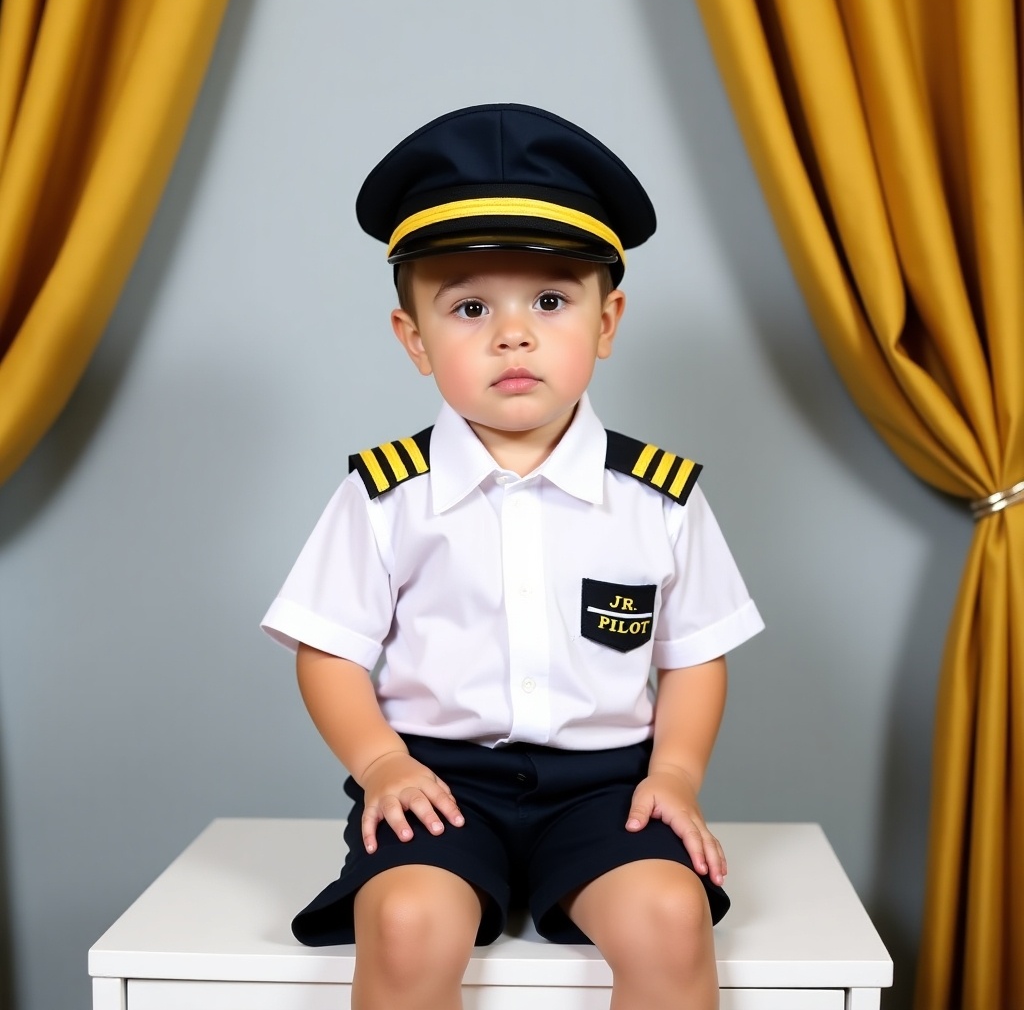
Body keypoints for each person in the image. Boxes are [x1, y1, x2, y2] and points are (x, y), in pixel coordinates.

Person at [262, 102, 764, 1010]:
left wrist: (676, 775)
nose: (513, 333)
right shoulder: (385, 495)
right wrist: (381, 765)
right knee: (410, 921)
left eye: (550, 299)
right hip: (437, 784)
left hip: (609, 787)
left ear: (607, 322)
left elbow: (693, 656)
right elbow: (328, 648)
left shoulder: (660, 497)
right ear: (413, 338)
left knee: (668, 914)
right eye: (468, 306)